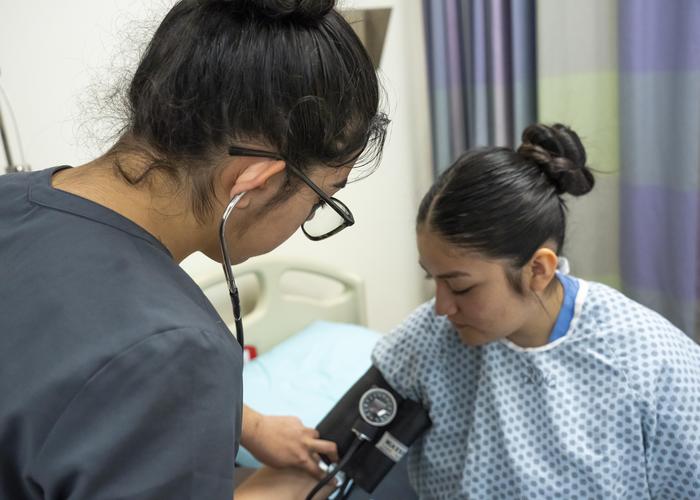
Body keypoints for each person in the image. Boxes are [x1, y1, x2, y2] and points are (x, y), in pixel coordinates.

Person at [0, 0, 388, 498]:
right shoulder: (181, 350)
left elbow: (51, 371)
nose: (309, 217)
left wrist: (248, 424)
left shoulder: (13, 198)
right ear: (255, 185)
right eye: (319, 203)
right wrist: (276, 490)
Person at [369, 123, 700, 498]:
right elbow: (341, 450)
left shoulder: (652, 363)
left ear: (539, 270)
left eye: (461, 287)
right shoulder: (427, 338)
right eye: (434, 280)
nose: (442, 307)